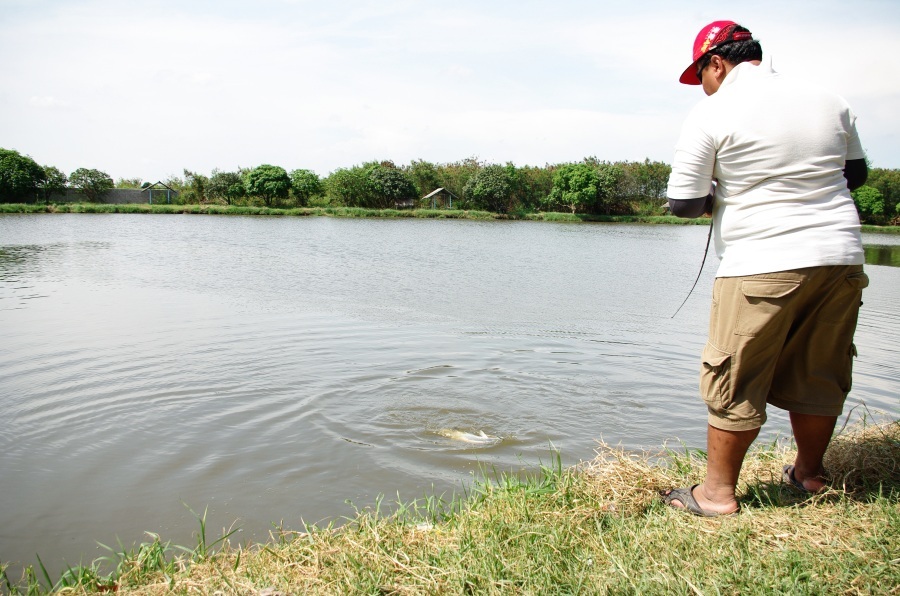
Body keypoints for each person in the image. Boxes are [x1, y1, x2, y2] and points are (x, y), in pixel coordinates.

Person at [662, 21, 869, 516]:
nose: (704, 86)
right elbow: (855, 173)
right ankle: (810, 474)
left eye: (702, 75)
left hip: (762, 261)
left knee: (734, 374)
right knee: (821, 368)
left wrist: (724, 193)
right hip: (840, 256)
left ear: (717, 63)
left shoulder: (713, 111)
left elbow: (683, 202)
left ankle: (715, 496)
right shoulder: (830, 99)